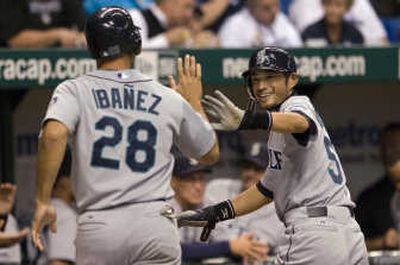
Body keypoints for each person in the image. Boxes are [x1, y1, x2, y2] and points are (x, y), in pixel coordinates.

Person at [30, 6, 219, 265]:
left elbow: (52, 136)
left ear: (92, 47)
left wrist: (42, 200)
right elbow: (209, 153)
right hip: (154, 224)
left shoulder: (74, 89)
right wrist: (194, 103)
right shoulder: (166, 95)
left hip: (100, 225)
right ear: (136, 43)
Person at [174, 46, 368, 264]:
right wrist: (217, 212)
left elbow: (301, 123)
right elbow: (266, 189)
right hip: (346, 233)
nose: (261, 86)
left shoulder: (296, 104)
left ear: (292, 79)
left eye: (270, 77)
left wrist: (250, 119)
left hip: (314, 233)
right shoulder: (278, 131)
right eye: (256, 79)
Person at [170, 152, 268, 263]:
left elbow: (225, 238)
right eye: (191, 179)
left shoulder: (206, 204)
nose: (198, 186)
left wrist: (248, 250)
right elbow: (173, 250)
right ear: (173, 181)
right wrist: (228, 247)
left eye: (201, 179)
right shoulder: (164, 206)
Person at [205, 142, 285, 258]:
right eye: (247, 167)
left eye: (258, 169)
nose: (250, 173)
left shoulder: (280, 206)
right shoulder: (217, 189)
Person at [356, 123, 400, 250]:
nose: (390, 153)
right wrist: (381, 242)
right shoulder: (369, 198)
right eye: (387, 149)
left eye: (397, 149)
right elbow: (354, 244)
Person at [289, 0, 388, 46]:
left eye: (338, 5)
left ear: (346, 8)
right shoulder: (310, 32)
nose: (333, 10)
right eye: (329, 4)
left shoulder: (355, 34)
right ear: (323, 5)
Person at [0, 0, 86, 48]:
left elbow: (84, 31)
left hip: (65, 62)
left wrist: (81, 38)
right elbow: (14, 40)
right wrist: (58, 35)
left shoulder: (71, 3)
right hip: (19, 65)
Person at [218, 0, 302, 48]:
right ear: (252, 8)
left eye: (276, 5)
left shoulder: (281, 19)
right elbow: (229, 59)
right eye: (266, 8)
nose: (274, 11)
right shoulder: (235, 25)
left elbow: (298, 49)